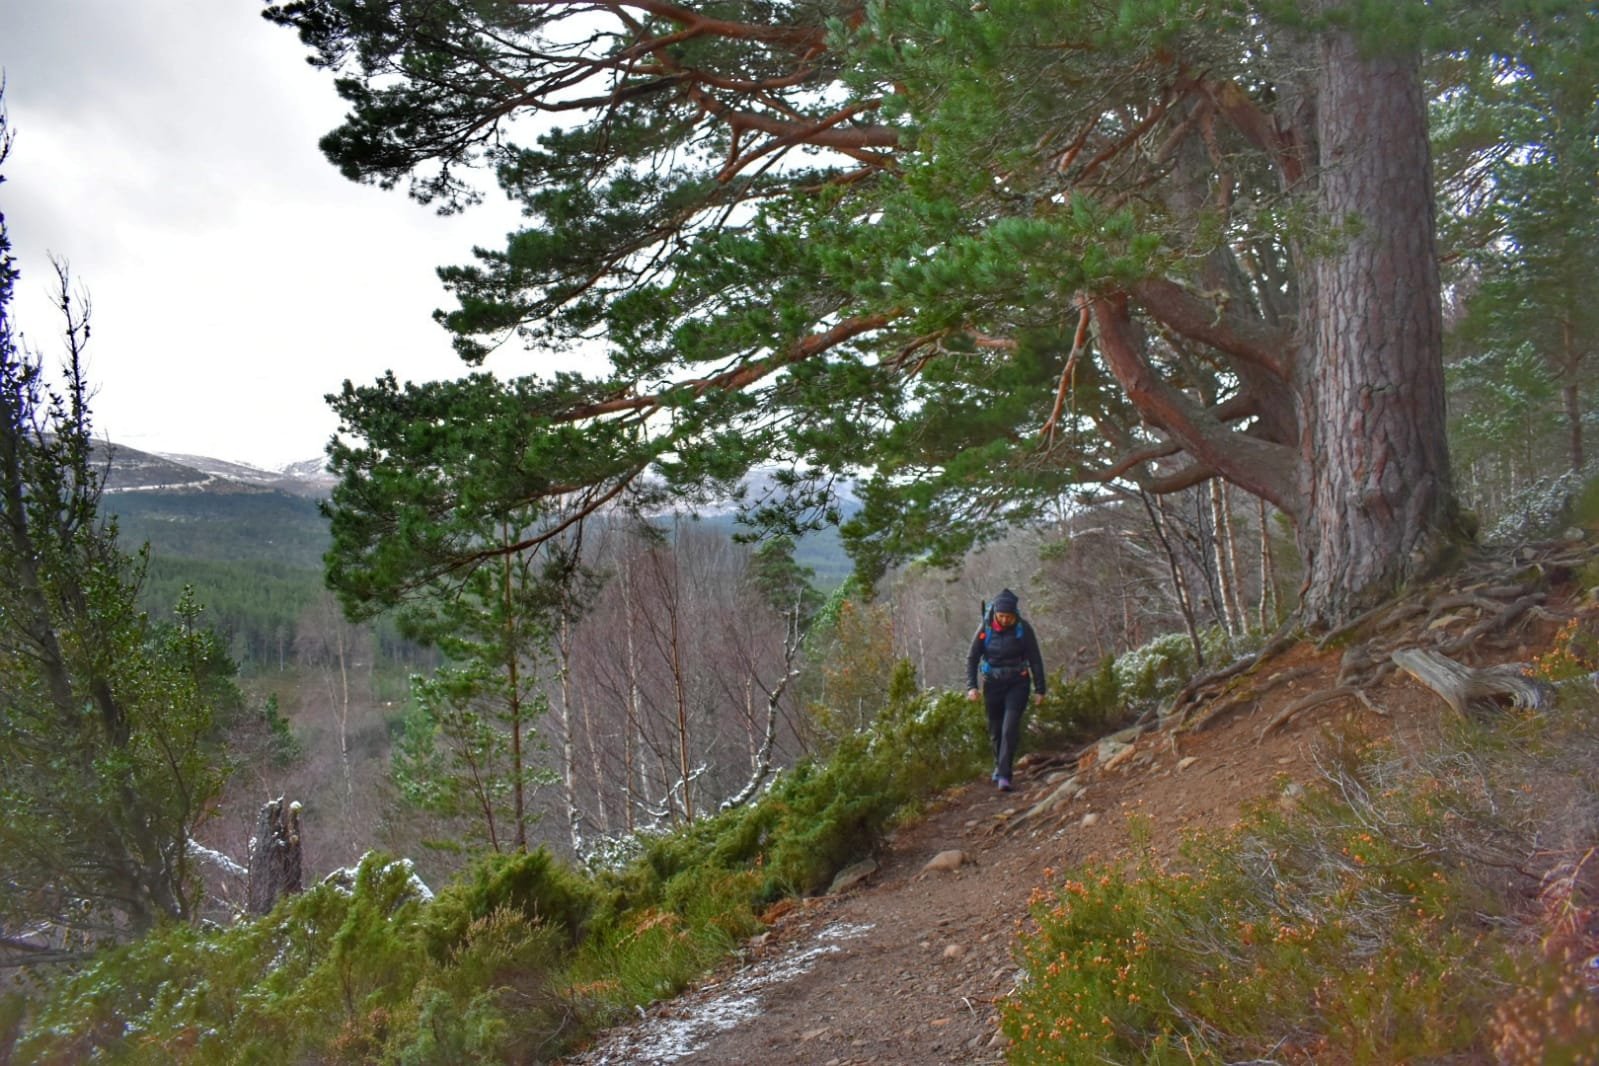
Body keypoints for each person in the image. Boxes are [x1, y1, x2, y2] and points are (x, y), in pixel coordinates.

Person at [966, 588, 1046, 792]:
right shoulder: (985, 628)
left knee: (1009, 728)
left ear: (1014, 614)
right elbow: (972, 658)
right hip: (992, 684)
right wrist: (972, 686)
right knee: (995, 730)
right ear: (995, 612)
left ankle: (1004, 775)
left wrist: (1040, 689)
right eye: (1001, 616)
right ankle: (999, 765)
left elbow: (1035, 659)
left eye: (1008, 616)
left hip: (1018, 683)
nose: (1004, 620)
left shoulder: (1023, 629)